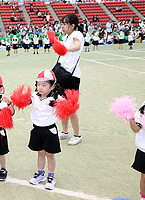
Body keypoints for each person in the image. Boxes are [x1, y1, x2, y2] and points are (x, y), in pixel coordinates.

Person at [28, 70, 62, 190]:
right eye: (38, 84)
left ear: (52, 86)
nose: (40, 88)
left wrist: (59, 105)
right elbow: (25, 101)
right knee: (40, 153)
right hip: (36, 129)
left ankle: (51, 176)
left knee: (50, 154)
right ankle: (40, 174)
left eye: (44, 85)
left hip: (49, 130)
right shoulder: (34, 95)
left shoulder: (56, 98)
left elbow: (68, 106)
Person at [56, 14, 84, 145]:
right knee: (62, 104)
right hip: (62, 74)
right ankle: (65, 131)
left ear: (72, 25)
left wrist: (64, 48)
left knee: (71, 108)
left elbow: (77, 46)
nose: (62, 26)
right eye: (61, 23)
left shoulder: (77, 34)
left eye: (64, 23)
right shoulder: (65, 37)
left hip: (72, 77)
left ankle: (77, 135)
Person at [129, 101, 145, 200]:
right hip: (144, 150)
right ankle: (143, 197)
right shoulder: (143, 108)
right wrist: (130, 118)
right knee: (144, 176)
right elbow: (136, 129)